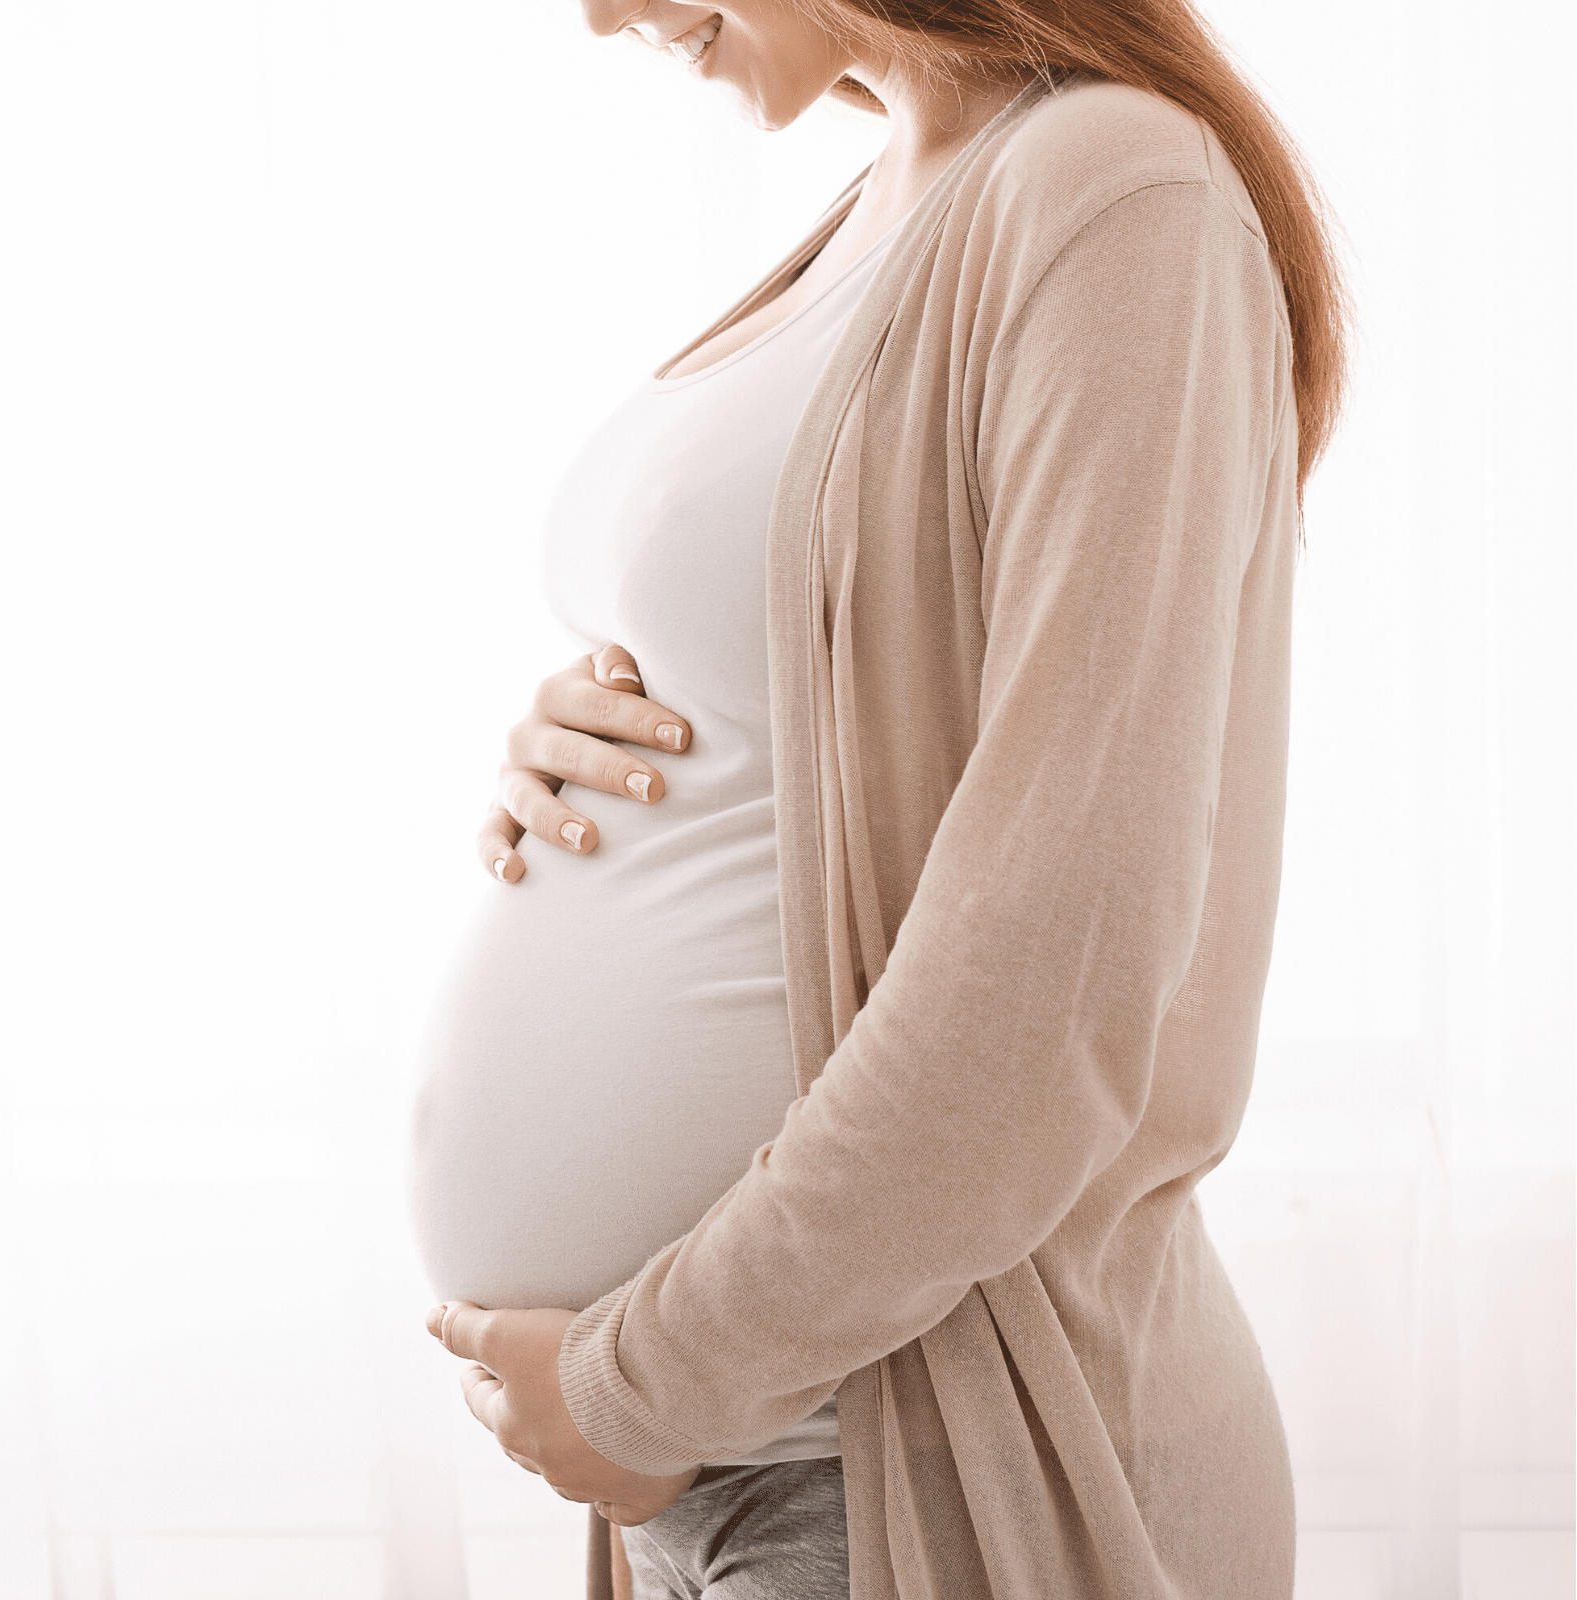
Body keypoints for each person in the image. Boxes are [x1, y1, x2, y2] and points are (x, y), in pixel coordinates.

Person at [409, 0, 1349, 1594]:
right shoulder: (894, 190)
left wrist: (641, 1382)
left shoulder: (1120, 191)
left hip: (922, 1461)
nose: (600, 11)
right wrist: (602, 755)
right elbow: (843, 705)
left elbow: (1059, 974)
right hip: (741, 1470)